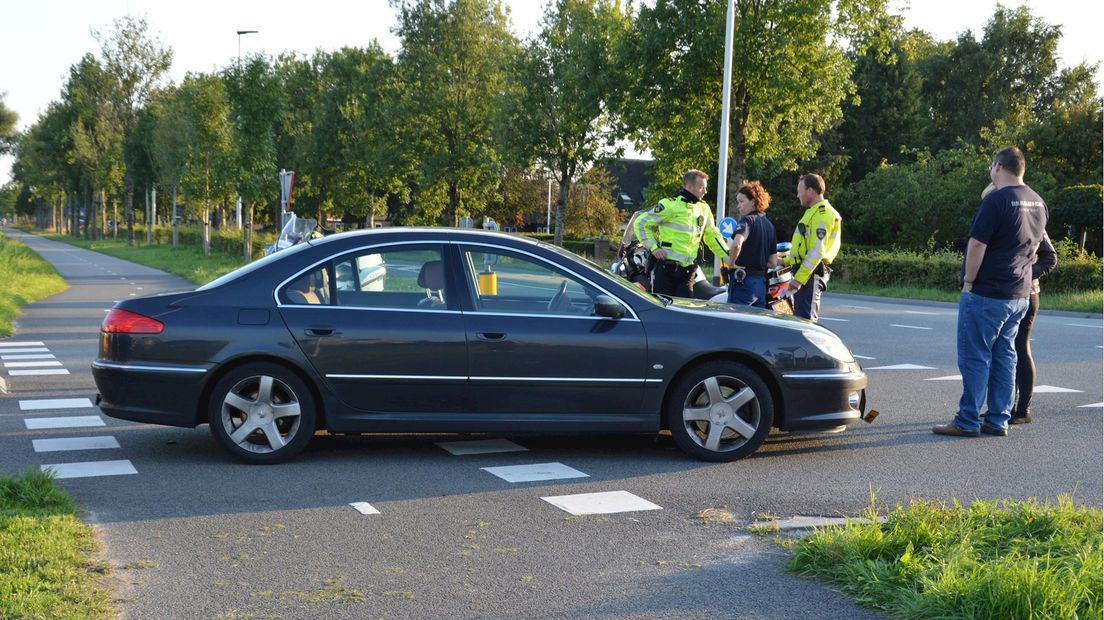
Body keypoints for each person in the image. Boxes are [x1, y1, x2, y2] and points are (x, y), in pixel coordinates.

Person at [933, 147, 1049, 438]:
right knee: (1005, 356)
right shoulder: (1037, 202)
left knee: (975, 356)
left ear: (998, 167)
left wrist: (969, 282)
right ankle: (998, 419)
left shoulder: (996, 200)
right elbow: (1036, 249)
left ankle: (968, 419)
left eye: (990, 166)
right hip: (1020, 294)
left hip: (987, 292)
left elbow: (977, 246)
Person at [634, 169, 729, 297]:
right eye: (701, 187)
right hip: (666, 271)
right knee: (663, 312)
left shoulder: (704, 208)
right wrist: (654, 247)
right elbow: (640, 223)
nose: (705, 192)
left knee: (685, 312)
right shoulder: (670, 205)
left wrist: (729, 258)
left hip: (688, 273)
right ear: (689, 186)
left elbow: (712, 235)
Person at [785, 173, 841, 321]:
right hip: (806, 275)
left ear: (810, 190)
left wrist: (798, 279)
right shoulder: (814, 212)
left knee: (806, 324)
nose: (798, 195)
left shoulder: (823, 214)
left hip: (809, 276)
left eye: (800, 190)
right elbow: (803, 248)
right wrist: (783, 261)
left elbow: (817, 251)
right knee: (800, 322)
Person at [726, 181, 778, 307]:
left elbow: (736, 244)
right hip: (761, 285)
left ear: (753, 202)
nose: (738, 206)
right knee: (754, 324)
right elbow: (773, 262)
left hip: (743, 283)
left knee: (735, 322)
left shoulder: (747, 221)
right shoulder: (770, 226)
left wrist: (731, 264)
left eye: (741, 202)